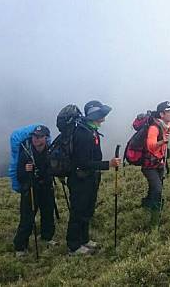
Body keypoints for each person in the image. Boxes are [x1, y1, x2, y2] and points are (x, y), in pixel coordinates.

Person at [66, 100, 121, 256]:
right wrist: (107, 164)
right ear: (93, 116)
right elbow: (82, 162)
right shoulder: (82, 134)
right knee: (78, 211)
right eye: (101, 116)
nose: (103, 120)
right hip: (79, 179)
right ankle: (73, 246)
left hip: (89, 178)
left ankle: (84, 239)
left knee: (87, 209)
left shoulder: (91, 130)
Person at [13, 125, 56, 257]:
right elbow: (19, 175)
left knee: (48, 213)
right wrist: (26, 170)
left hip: (46, 188)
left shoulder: (51, 151)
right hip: (30, 189)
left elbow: (53, 169)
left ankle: (47, 237)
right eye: (35, 136)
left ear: (45, 138)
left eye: (40, 137)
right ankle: (20, 247)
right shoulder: (25, 152)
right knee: (27, 218)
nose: (36, 139)